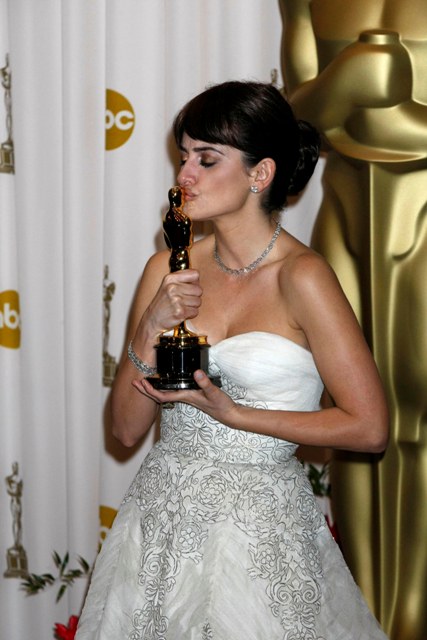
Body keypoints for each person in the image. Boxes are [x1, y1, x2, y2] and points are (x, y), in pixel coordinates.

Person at [76, 81, 389, 639]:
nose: (184, 175)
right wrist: (149, 327)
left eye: (206, 159)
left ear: (259, 173)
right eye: (183, 157)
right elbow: (124, 431)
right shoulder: (166, 270)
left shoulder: (304, 277)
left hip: (262, 536)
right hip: (162, 526)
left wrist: (235, 414)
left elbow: (369, 428)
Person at [281, 2, 427, 636]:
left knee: (418, 415)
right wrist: (348, 81)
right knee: (352, 422)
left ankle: (413, 615)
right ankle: (364, 615)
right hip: (344, 214)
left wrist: (388, 112)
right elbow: (297, 119)